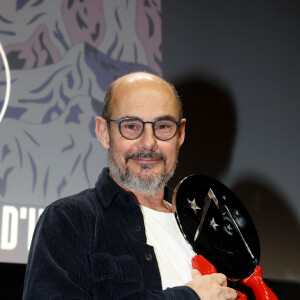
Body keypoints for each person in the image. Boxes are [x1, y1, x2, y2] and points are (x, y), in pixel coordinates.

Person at [23, 72, 237, 300]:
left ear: (180, 134)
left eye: (163, 126)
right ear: (104, 132)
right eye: (131, 126)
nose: (148, 143)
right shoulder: (70, 221)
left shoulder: (209, 228)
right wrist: (189, 297)